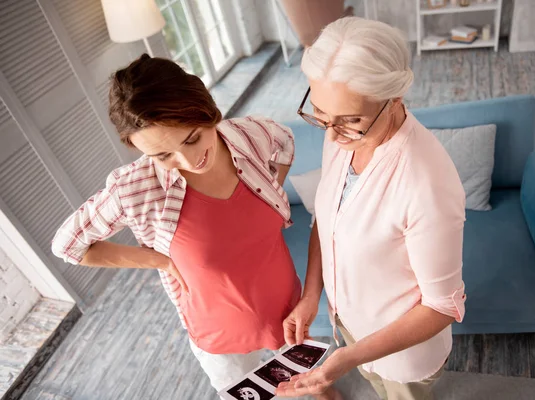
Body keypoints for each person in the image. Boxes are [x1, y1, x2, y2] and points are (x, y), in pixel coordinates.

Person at [51, 54, 302, 396]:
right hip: (220, 335)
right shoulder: (134, 188)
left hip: (287, 303)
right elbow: (68, 245)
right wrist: (159, 259)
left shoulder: (249, 135)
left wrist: (272, 192)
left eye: (192, 138)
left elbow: (285, 141)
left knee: (302, 378)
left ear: (206, 108)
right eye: (163, 155)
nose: (187, 161)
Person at [277, 17, 466, 400]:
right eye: (320, 115)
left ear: (394, 98)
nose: (329, 135)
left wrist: (346, 359)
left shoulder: (426, 182)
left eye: (350, 121)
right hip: (348, 326)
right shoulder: (343, 136)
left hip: (404, 354)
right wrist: (312, 294)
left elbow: (443, 306)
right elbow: (324, 221)